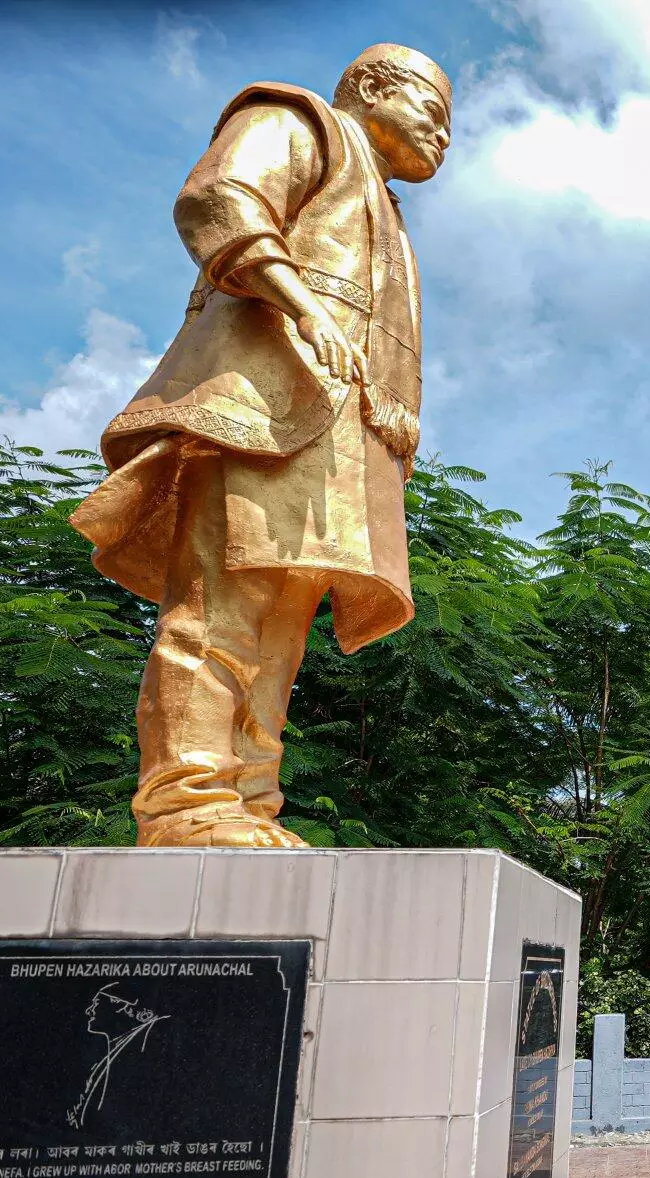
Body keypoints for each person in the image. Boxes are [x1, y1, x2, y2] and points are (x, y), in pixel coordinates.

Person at [73, 46, 452, 847]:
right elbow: (220, 198)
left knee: (285, 617)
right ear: (374, 87)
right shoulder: (297, 120)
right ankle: (185, 801)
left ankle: (247, 801)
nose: (444, 135)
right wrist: (300, 302)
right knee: (222, 600)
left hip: (343, 428)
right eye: (434, 108)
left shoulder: (387, 206)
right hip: (260, 403)